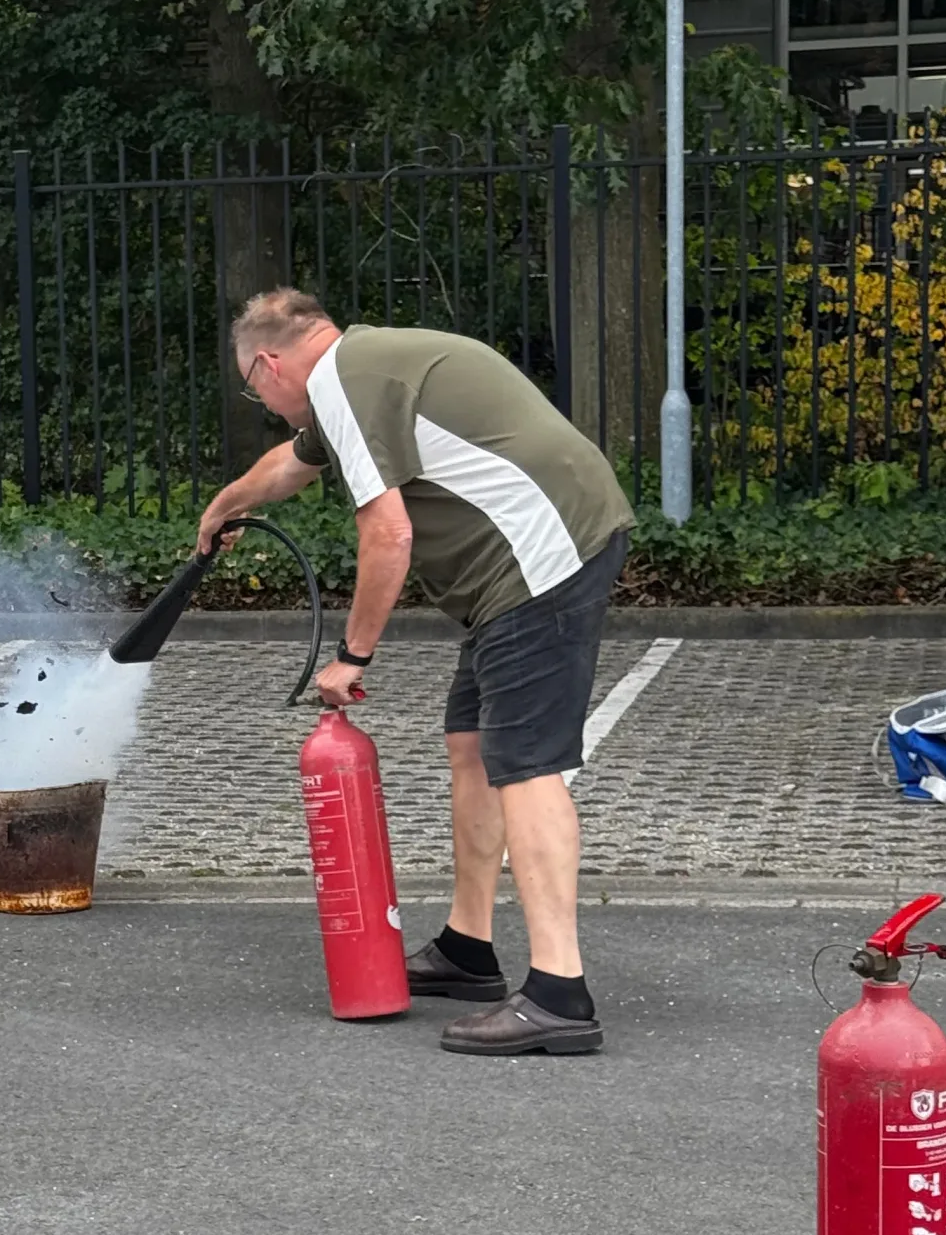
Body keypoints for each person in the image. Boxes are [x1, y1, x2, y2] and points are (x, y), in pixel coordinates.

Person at [197, 288, 633, 1056]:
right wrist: (225, 505)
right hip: (523, 565)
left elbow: (387, 533)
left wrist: (353, 655)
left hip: (540, 559)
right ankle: (468, 949)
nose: (262, 404)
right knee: (473, 744)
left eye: (253, 389)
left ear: (269, 364)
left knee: (526, 766)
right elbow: (292, 466)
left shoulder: (344, 380)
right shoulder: (360, 369)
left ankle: (559, 995)